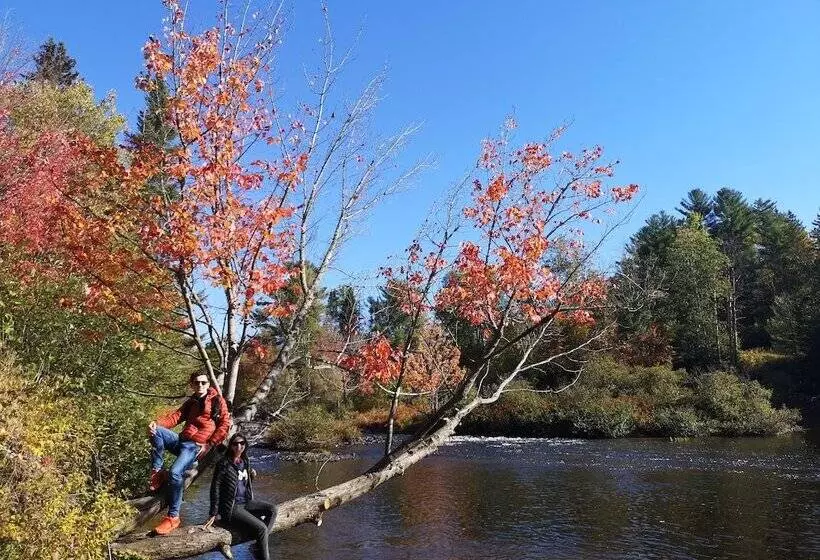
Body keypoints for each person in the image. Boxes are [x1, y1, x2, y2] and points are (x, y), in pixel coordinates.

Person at [148, 371, 230, 535]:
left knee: (175, 473)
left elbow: (225, 424)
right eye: (197, 383)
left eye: (203, 382)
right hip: (181, 440)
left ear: (208, 384)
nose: (200, 385)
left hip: (195, 446)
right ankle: (157, 471)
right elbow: (174, 418)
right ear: (192, 385)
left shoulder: (217, 401)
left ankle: (173, 517)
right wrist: (155, 423)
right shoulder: (191, 402)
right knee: (156, 431)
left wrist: (209, 444)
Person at [205, 433, 276, 560]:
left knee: (272, 509)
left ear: (245, 445)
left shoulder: (245, 461)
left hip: (247, 503)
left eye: (242, 443)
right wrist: (213, 512)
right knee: (261, 528)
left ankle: (256, 545)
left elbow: (242, 484)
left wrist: (251, 476)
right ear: (231, 446)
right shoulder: (223, 463)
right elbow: (214, 488)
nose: (239, 446)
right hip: (232, 507)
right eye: (235, 443)